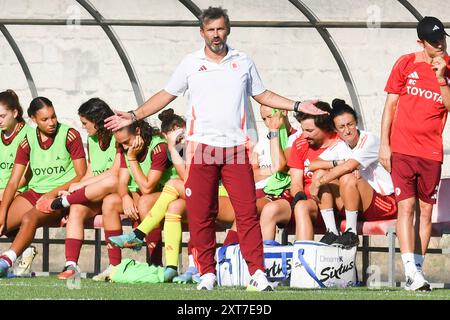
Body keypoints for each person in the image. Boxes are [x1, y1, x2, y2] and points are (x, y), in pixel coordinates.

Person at [104, 6, 323, 292]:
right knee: (200, 214)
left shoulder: (242, 61)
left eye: (220, 29)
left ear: (227, 29)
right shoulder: (190, 63)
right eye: (210, 30)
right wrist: (134, 115)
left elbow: (263, 94)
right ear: (202, 33)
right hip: (202, 150)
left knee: (246, 213)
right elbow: (165, 94)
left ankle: (257, 273)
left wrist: (297, 105)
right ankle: (207, 273)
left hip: (235, 149)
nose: (216, 35)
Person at [379, 16, 450, 291]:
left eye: (442, 38)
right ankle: (410, 271)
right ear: (421, 42)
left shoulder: (448, 66)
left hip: (431, 151)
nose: (440, 44)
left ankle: (417, 271)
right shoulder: (405, 63)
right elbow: (391, 105)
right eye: (433, 41)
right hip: (403, 149)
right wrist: (385, 145)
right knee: (405, 207)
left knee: (426, 211)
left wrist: (441, 77)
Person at [35, 98, 122, 280]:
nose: (83, 127)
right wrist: (78, 187)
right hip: (95, 192)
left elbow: (115, 172)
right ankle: (71, 264)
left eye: (85, 123)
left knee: (111, 182)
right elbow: (91, 169)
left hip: (117, 191)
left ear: (97, 121)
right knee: (76, 209)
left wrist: (80, 185)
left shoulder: (118, 136)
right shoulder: (92, 139)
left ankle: (62, 202)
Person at [0, 97, 87, 276]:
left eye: (53, 117)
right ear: (34, 120)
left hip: (59, 196)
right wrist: (2, 213)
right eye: (45, 119)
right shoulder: (28, 138)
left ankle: (6, 261)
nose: (52, 122)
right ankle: (17, 265)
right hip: (34, 193)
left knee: (29, 218)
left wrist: (51, 195)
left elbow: (81, 175)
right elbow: (14, 181)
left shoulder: (70, 135)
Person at [308, 99, 397, 248]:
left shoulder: (369, 139)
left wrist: (319, 182)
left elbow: (349, 167)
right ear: (336, 130)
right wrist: (337, 163)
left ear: (356, 122)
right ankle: (332, 231)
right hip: (359, 205)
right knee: (319, 173)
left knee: (347, 176)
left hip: (385, 203)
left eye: (350, 124)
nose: (347, 130)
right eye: (341, 127)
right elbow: (313, 164)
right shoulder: (341, 145)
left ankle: (351, 233)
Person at [94, 119, 173, 281]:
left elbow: (147, 188)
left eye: (126, 142)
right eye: (120, 143)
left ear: (138, 131)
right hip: (145, 197)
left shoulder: (159, 147)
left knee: (144, 202)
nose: (123, 147)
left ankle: (155, 265)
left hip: (169, 196)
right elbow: (122, 181)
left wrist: (132, 158)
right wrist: (125, 197)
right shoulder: (124, 147)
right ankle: (114, 266)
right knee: (109, 202)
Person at [288, 101, 342, 241]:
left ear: (325, 127)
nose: (304, 135)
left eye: (310, 131)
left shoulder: (341, 142)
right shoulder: (300, 144)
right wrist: (298, 194)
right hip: (312, 201)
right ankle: (302, 257)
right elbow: (295, 182)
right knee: (297, 206)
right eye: (302, 129)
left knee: (320, 175)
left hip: (339, 201)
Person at [0, 90, 37, 276]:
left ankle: (20, 251)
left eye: (2, 115)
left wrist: (8, 192)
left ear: (15, 113)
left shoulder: (29, 134)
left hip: (21, 192)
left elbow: (26, 175)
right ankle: (24, 250)